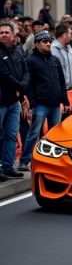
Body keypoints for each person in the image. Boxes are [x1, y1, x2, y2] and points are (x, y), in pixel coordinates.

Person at [20, 31, 70, 171]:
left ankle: (52, 160)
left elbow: (61, 81)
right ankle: (24, 161)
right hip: (40, 104)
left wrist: (65, 100)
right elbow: (29, 84)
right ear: (37, 43)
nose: (48, 43)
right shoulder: (31, 61)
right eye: (44, 41)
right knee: (34, 133)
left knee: (55, 134)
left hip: (55, 104)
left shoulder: (55, 60)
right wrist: (33, 103)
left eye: (49, 41)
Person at [0, 21, 29, 179]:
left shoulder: (18, 51)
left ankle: (8, 166)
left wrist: (22, 88)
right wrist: (21, 87)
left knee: (11, 135)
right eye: (1, 32)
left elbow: (25, 72)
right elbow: (4, 76)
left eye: (6, 32)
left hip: (14, 101)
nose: (3, 35)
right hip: (1, 101)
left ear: (13, 34)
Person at [51, 23, 72, 92]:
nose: (71, 36)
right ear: (65, 35)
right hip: (60, 89)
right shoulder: (54, 49)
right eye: (70, 33)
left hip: (70, 88)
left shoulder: (69, 47)